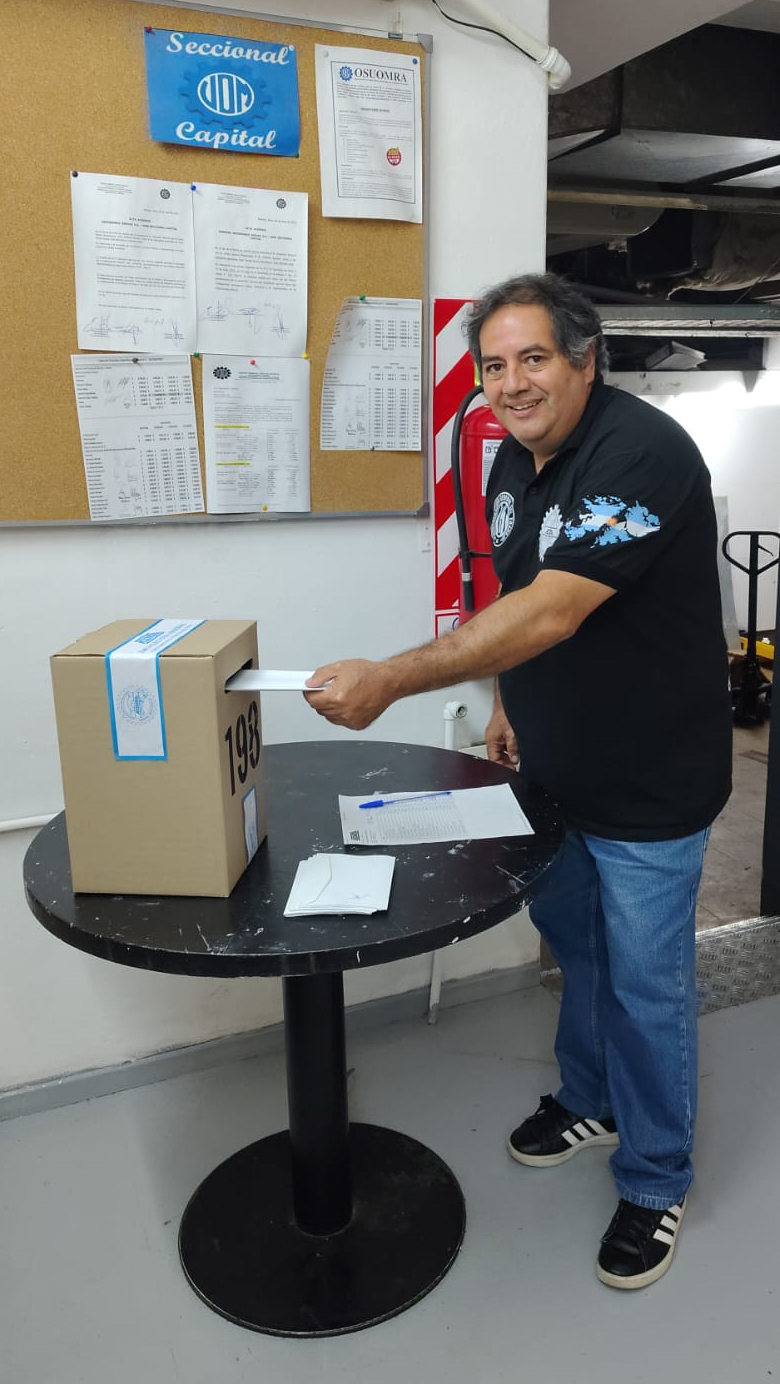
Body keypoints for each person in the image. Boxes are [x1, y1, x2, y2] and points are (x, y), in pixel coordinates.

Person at [304, 272, 732, 1290]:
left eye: (533, 358)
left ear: (586, 360)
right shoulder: (513, 458)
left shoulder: (641, 453)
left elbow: (554, 610)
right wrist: (506, 702)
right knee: (579, 952)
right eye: (493, 366)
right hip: (551, 769)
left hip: (650, 782)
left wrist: (392, 679)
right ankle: (592, 1099)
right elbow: (515, 593)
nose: (511, 383)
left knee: (647, 984)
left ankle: (656, 1178)